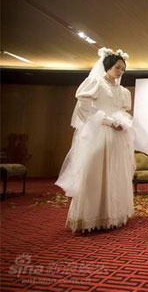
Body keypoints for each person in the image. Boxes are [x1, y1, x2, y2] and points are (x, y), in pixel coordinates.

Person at [56, 47, 135, 233]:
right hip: (99, 132)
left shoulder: (123, 91)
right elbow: (84, 109)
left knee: (115, 172)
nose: (120, 72)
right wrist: (108, 121)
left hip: (118, 136)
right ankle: (88, 218)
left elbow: (123, 111)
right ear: (107, 66)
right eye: (118, 67)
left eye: (123, 69)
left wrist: (122, 122)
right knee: (95, 172)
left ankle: (112, 215)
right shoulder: (96, 83)